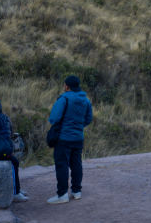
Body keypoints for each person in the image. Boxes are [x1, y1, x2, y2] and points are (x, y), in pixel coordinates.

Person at [47, 75, 93, 204]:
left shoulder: (64, 98)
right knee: (76, 164)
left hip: (64, 138)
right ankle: (77, 192)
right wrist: (78, 126)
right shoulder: (86, 100)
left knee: (62, 165)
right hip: (78, 138)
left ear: (67, 86)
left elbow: (54, 118)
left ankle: (62, 195)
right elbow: (88, 119)